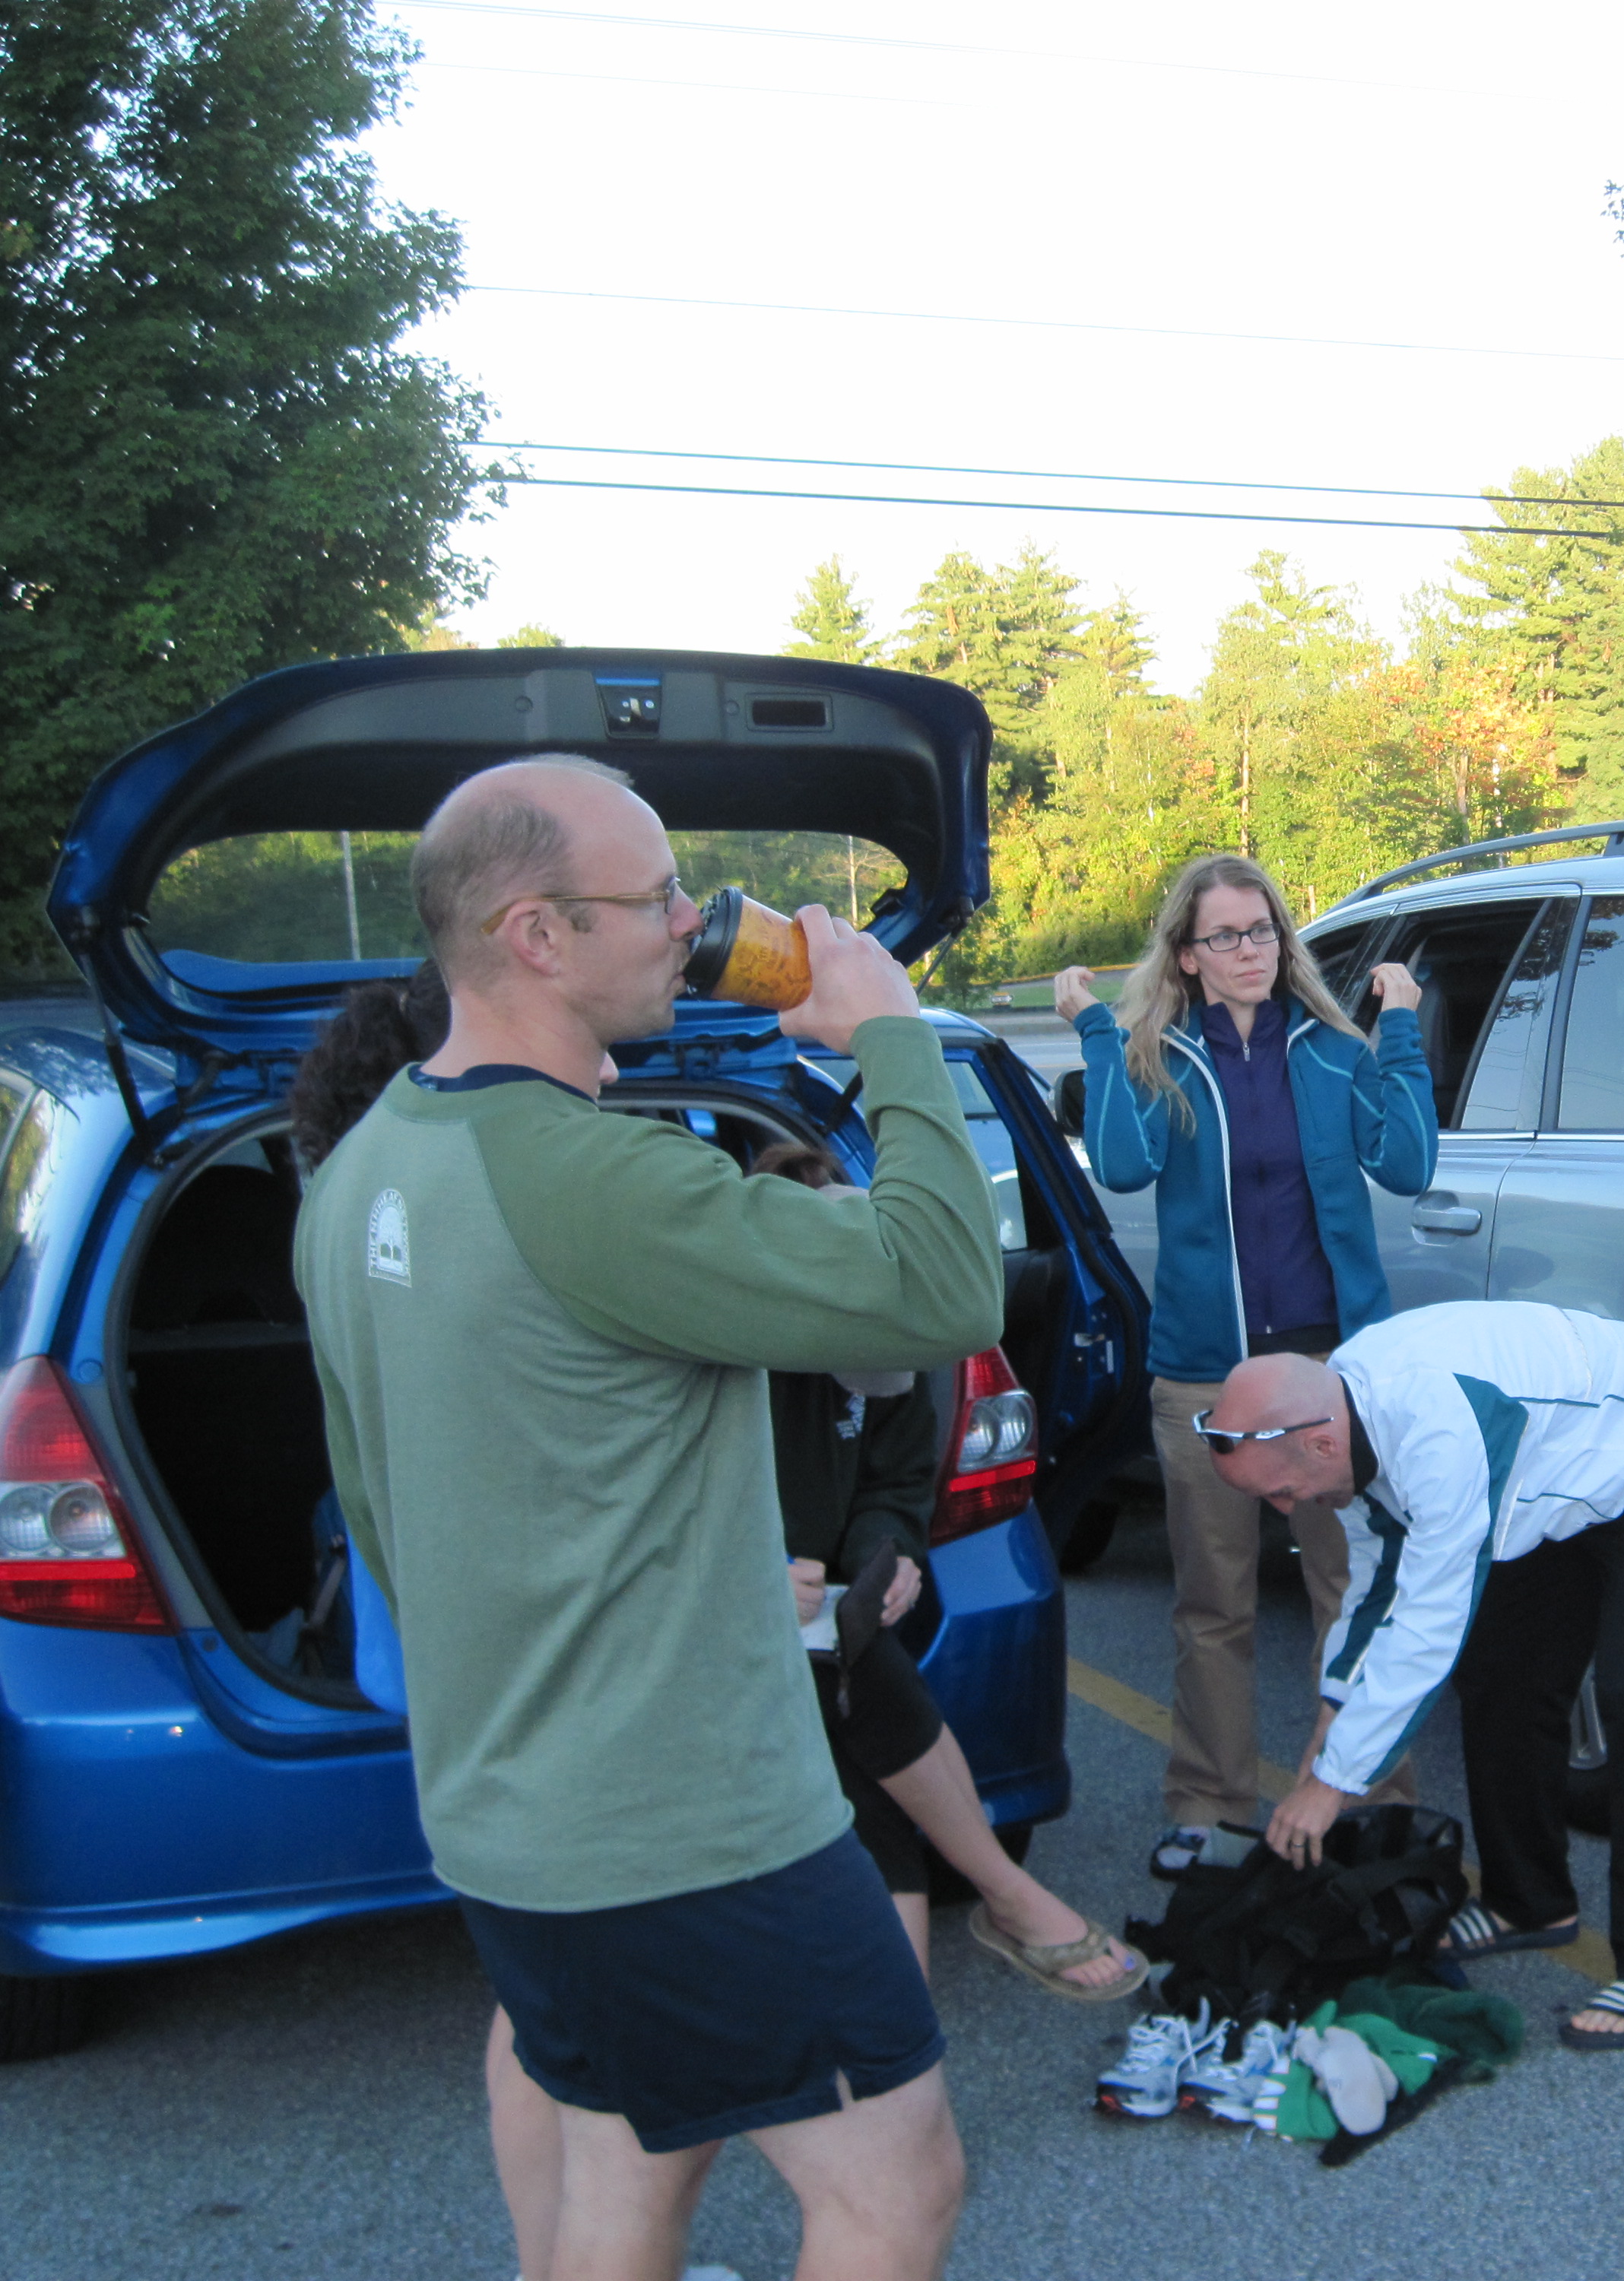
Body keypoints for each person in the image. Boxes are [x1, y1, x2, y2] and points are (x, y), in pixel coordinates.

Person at [293, 756, 1003, 2281]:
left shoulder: (363, 1170)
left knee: (627, 2183)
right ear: (538, 934)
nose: (695, 921)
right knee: (896, 2186)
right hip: (691, 1831)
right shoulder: (595, 1182)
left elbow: (385, 1518)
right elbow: (946, 1288)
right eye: (659, 896)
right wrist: (889, 1033)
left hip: (511, 1820)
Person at [1210, 1299, 1624, 2052]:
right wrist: (1331, 1720)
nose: (1283, 1508)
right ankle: (1530, 1904)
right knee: (1501, 1680)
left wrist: (1334, 1784)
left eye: (1281, 1492)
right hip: (1546, 1477)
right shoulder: (1341, 1427)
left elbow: (1430, 1625)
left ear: (1322, 1443)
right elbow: (1376, 1593)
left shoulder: (1436, 1430)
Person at [1054, 852, 1438, 1881]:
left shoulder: (1334, 1050)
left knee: (1352, 1595)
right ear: (1187, 954)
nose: (1249, 950)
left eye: (1262, 930)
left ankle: (1367, 1806)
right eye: (1224, 936)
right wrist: (1098, 1032)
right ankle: (1209, 1809)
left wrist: (1400, 1027)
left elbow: (1408, 1164)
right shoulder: (1159, 1056)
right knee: (1213, 1604)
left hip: (1331, 1377)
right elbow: (1122, 1163)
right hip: (1207, 1376)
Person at [749, 1140, 1143, 1998]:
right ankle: (1005, 1899)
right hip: (720, 1635)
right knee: (867, 1708)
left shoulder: (885, 1344)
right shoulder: (714, 1364)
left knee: (869, 1746)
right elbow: (651, 1511)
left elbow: (895, 1483)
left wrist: (889, 1560)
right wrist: (750, 1578)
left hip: (826, 1623)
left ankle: (923, 2007)